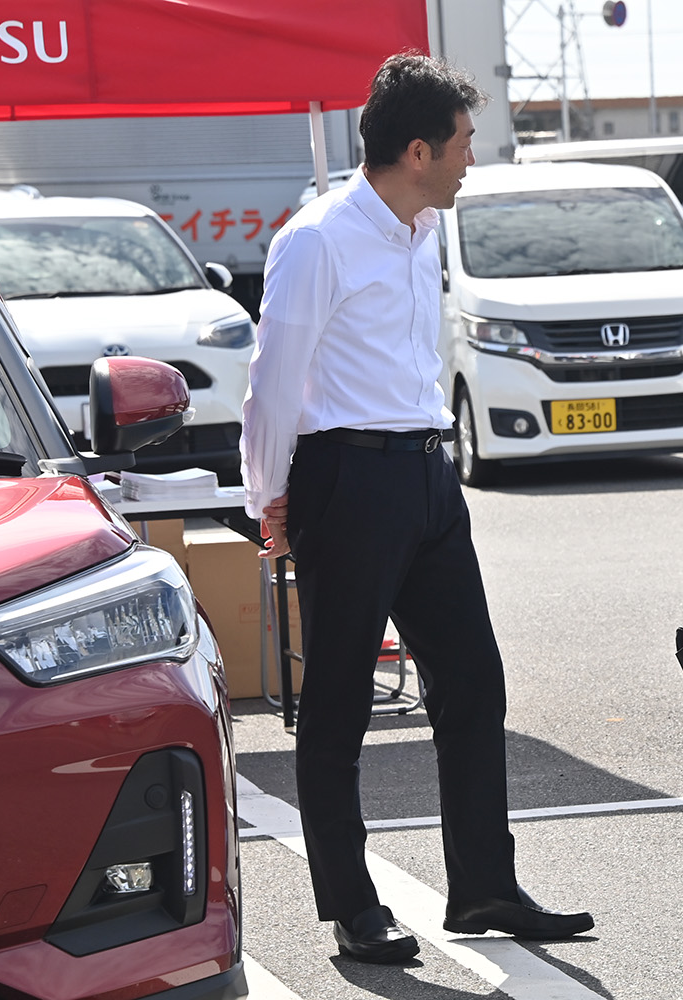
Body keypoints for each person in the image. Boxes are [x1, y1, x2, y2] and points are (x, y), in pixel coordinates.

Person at [241, 54, 592, 965]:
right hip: (347, 481)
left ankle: (483, 888)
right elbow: (273, 382)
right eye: (465, 142)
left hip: (431, 477)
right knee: (339, 702)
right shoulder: (317, 240)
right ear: (418, 151)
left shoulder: (422, 227)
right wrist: (266, 495)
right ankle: (353, 908)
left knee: (473, 684)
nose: (474, 157)